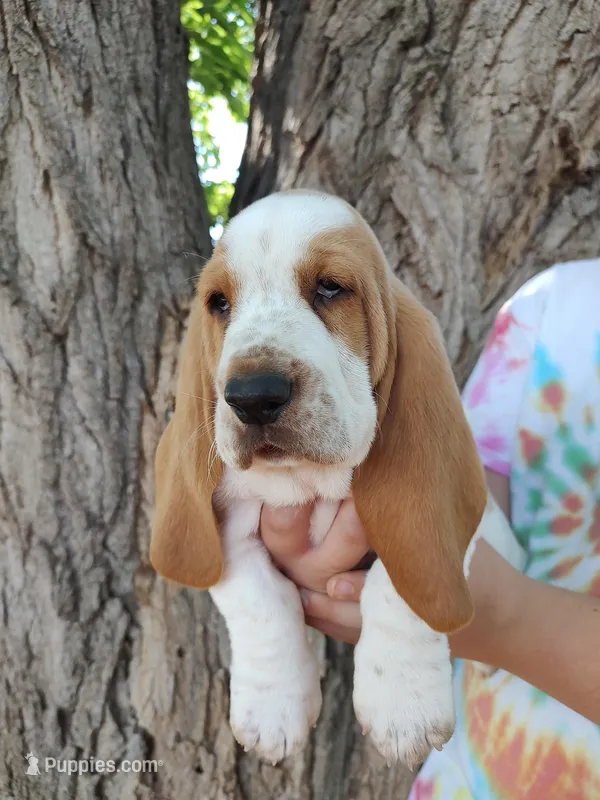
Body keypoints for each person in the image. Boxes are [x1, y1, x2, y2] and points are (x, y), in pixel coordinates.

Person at [260, 260, 600, 799]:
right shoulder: (553, 307)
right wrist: (354, 544)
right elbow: (476, 509)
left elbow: (485, 598)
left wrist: (507, 621)